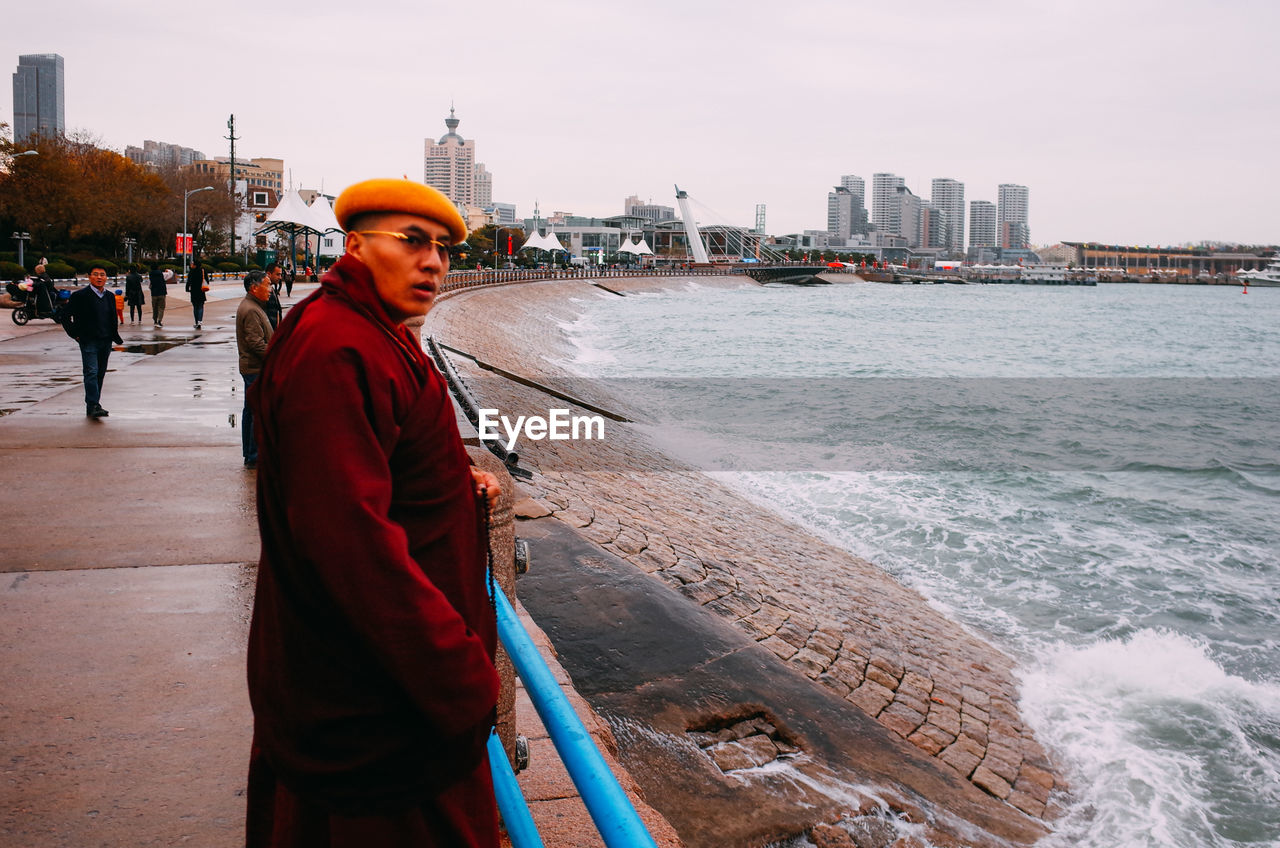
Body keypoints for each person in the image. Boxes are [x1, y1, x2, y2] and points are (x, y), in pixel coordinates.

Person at [244, 178, 502, 848]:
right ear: (355, 246)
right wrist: (460, 677)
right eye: (412, 242)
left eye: (443, 249)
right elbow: (346, 538)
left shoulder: (364, 332)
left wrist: (453, 476)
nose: (434, 263)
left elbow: (367, 467)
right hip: (378, 709)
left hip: (372, 697)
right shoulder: (340, 349)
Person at [63, 265, 123, 418]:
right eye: (95, 274)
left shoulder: (109, 296)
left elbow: (112, 318)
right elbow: (65, 316)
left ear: (106, 277)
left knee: (100, 374)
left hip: (105, 340)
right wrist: (75, 334)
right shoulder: (80, 296)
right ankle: (94, 404)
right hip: (88, 340)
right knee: (91, 372)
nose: (99, 277)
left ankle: (93, 405)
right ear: (89, 276)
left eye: (102, 275)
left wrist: (113, 335)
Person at [235, 271, 273, 469]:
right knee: (256, 412)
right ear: (254, 288)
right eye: (267, 285)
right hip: (254, 368)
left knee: (251, 411)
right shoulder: (250, 310)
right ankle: (253, 455)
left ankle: (251, 453)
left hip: (253, 367)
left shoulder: (254, 307)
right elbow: (256, 344)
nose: (270, 289)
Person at [186, 262, 207, 329]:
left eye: (192, 264)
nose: (191, 265)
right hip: (201, 290)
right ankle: (199, 321)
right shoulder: (202, 271)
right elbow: (207, 280)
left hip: (194, 291)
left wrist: (187, 288)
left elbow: (188, 281)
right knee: (201, 306)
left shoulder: (191, 271)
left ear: (195, 265)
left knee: (195, 307)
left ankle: (196, 322)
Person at [263, 262, 284, 328]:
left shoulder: (271, 289)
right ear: (269, 274)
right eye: (278, 274)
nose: (280, 277)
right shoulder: (264, 291)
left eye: (281, 275)